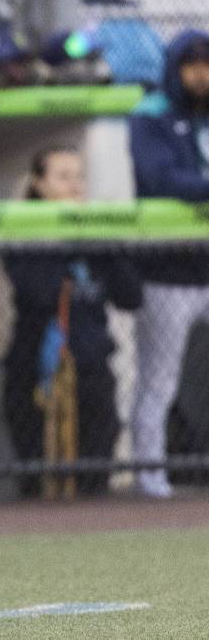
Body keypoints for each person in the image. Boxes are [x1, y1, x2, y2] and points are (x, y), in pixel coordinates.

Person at [3, 146, 142, 497]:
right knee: (38, 480)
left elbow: (130, 296)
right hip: (38, 369)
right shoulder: (22, 231)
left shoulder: (94, 232)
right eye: (63, 177)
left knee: (96, 475)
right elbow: (40, 293)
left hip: (92, 365)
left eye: (79, 177)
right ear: (39, 185)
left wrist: (102, 239)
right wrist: (64, 235)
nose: (75, 186)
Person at [129, 29, 209, 498]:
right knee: (159, 378)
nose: (201, 74)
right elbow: (160, 178)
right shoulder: (151, 114)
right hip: (169, 272)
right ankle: (149, 472)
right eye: (192, 64)